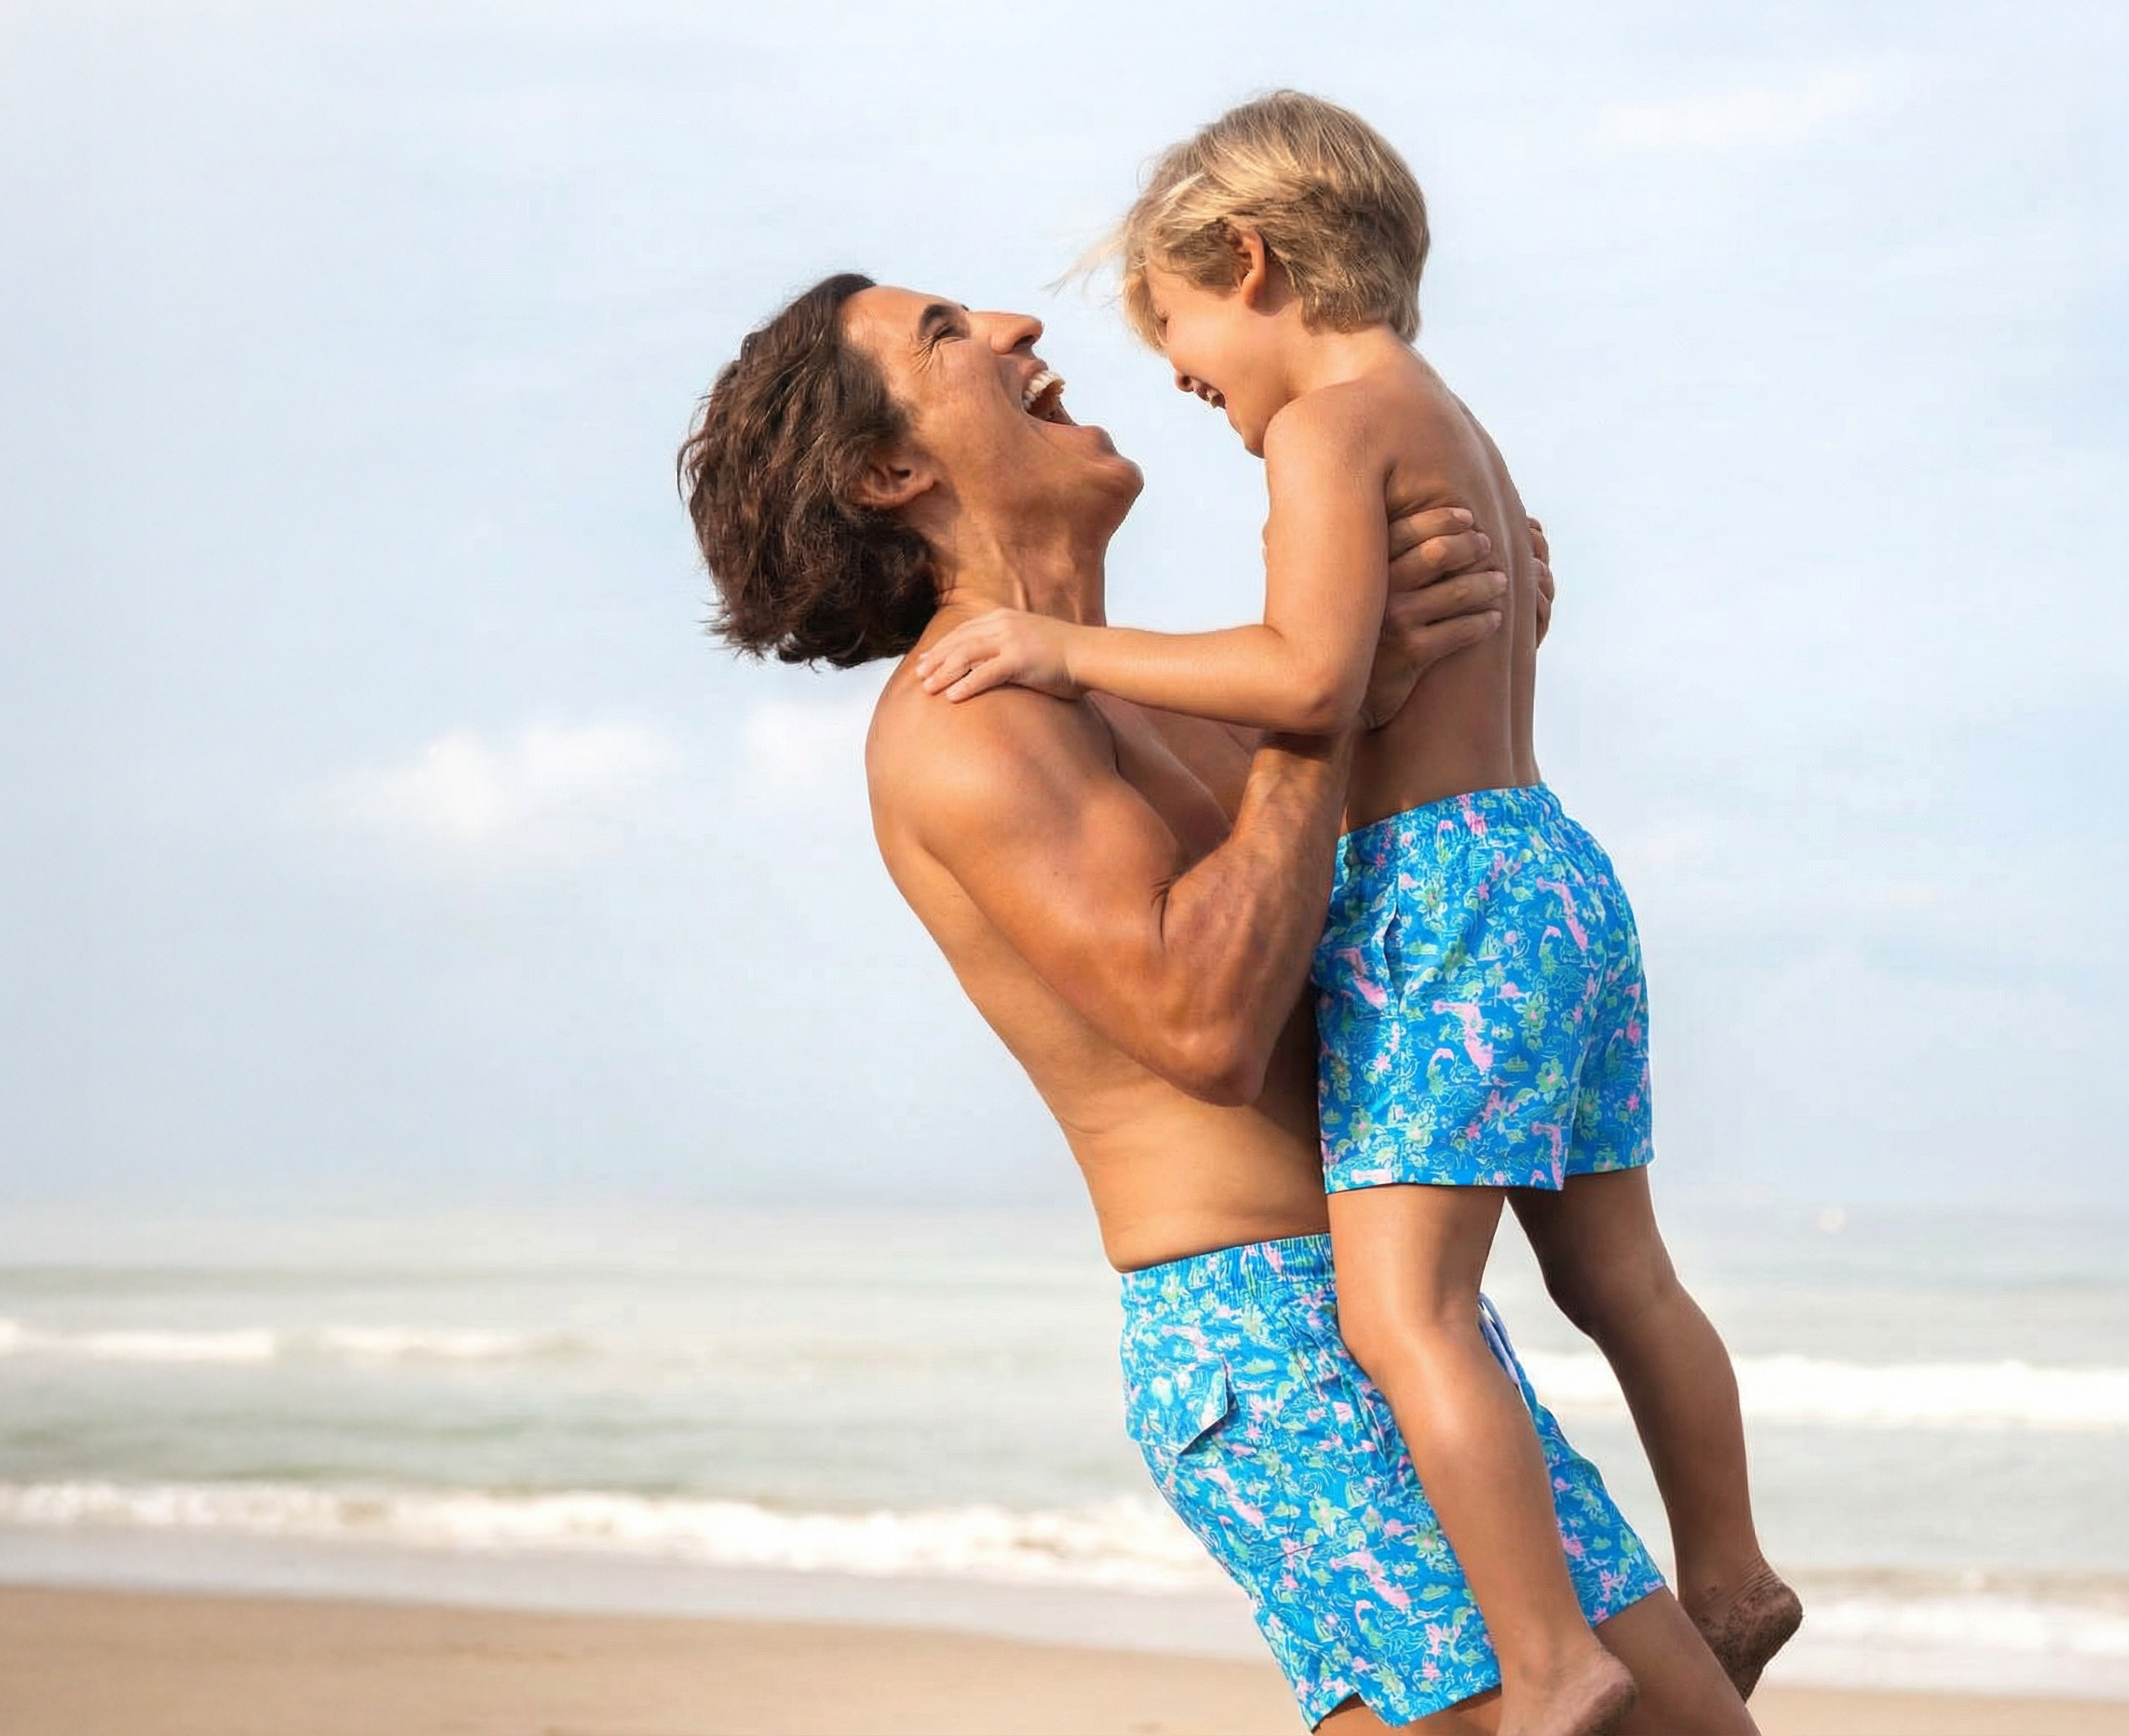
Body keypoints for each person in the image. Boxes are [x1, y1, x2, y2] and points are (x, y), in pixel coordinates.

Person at [680, 274, 1758, 1735]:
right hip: (1269, 1345)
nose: (1016, 328)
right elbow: (1205, 1022)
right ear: (890, 471)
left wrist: (1448, 682)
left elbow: (1370, 911)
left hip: (1405, 1321)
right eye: (946, 335)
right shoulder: (967, 729)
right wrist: (1327, 718)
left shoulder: (1169, 700)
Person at [904, 93, 1800, 1730]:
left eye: (1178, 334)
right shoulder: (1444, 422)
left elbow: (1302, 679)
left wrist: (1078, 649)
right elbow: (1216, 981)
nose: (1180, 378)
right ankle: (1727, 1565)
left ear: (1245, 260)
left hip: (1448, 918)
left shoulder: (1321, 439)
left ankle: (1550, 1664)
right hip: (1538, 893)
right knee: (1624, 1277)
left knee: (1414, 1311)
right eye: (952, 331)